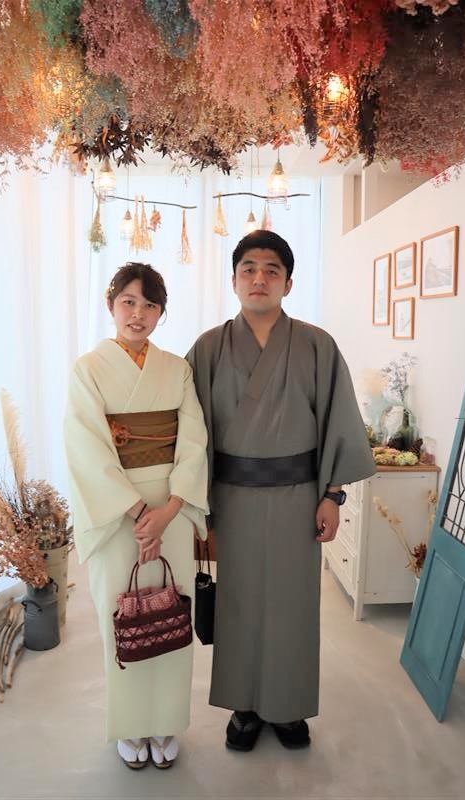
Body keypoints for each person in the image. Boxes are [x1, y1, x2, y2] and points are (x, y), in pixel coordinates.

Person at [186, 230, 375, 752]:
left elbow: (338, 422)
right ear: (233, 280)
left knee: (293, 605)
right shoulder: (207, 349)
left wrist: (333, 495)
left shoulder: (317, 345)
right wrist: (195, 506)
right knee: (240, 603)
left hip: (298, 498)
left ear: (288, 283)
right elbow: (190, 433)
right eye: (248, 268)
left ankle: (288, 707)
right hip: (232, 499)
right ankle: (244, 708)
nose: (259, 278)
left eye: (272, 270)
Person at [64, 263, 208, 770]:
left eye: (150, 305)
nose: (138, 313)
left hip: (171, 507)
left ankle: (166, 721)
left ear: (161, 313)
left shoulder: (177, 369)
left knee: (171, 611)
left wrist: (169, 510)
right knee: (122, 615)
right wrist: (141, 512)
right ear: (111, 305)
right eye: (128, 301)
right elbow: (86, 448)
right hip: (118, 512)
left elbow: (194, 441)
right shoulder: (88, 369)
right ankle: (130, 725)